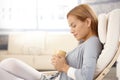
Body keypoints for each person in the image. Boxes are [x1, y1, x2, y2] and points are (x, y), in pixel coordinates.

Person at [0, 4, 102, 80]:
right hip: (52, 78)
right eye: (70, 27)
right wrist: (61, 65)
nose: (71, 30)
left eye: (74, 25)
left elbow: (86, 77)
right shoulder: (86, 43)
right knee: (9, 63)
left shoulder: (92, 43)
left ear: (88, 22)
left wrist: (64, 67)